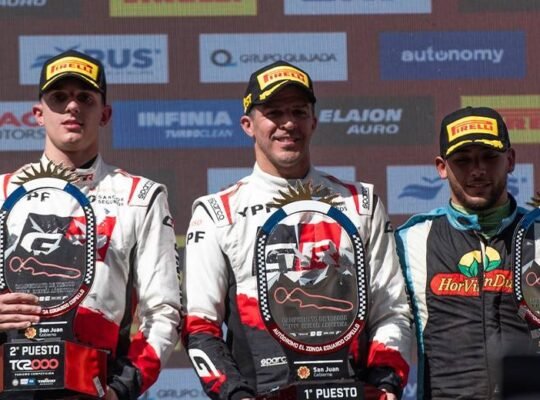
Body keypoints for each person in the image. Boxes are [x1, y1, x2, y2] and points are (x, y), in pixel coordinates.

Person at [182, 61, 412, 400]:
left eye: (298, 112)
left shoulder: (360, 203)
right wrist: (236, 395)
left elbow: (391, 310)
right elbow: (200, 326)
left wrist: (384, 385)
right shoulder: (217, 212)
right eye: (274, 112)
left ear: (313, 121)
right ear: (248, 125)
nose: (288, 123)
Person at [0, 50, 182, 399]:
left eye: (85, 98)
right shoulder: (3, 193)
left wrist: (121, 389)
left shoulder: (140, 196)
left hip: (94, 385)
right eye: (59, 98)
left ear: (105, 114)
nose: (72, 107)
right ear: (38, 115)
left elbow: (163, 311)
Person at [395, 106, 534, 399]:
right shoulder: (410, 241)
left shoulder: (538, 233)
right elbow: (385, 326)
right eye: (462, 160)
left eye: (489, 157)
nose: (477, 170)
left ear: (510, 160)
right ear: (441, 167)